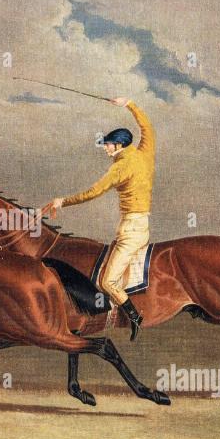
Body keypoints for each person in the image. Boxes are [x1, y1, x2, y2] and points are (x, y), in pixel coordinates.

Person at [45, 97, 155, 341]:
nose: (105, 148)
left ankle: (135, 317)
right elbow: (147, 128)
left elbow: (93, 192)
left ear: (119, 145)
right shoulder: (145, 153)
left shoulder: (119, 168)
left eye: (108, 144)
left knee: (107, 282)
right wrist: (129, 104)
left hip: (131, 231)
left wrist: (62, 201)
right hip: (138, 226)